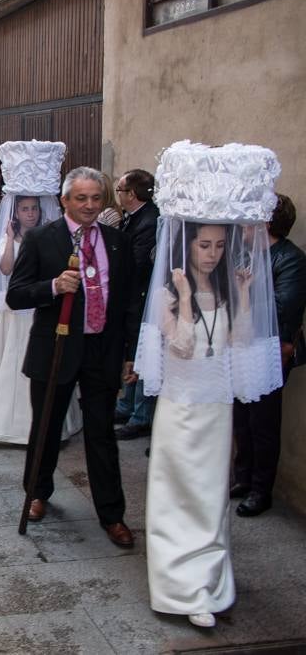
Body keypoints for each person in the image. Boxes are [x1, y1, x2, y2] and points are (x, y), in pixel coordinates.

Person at [136, 140, 285, 628]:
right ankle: (180, 588)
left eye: (220, 246)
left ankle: (210, 580)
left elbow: (237, 342)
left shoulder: (226, 285)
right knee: (179, 493)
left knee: (210, 493)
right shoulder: (167, 291)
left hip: (216, 405)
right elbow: (179, 348)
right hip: (181, 406)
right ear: (187, 244)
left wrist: (241, 295)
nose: (212, 253)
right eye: (204, 245)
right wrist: (181, 292)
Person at [7, 166, 142, 548]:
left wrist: (130, 352)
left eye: (96, 198)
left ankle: (112, 515)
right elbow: (16, 295)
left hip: (102, 349)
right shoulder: (40, 239)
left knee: (101, 434)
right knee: (46, 426)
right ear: (65, 200)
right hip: (57, 347)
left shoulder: (117, 241)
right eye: (80, 198)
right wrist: (52, 286)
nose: (89, 205)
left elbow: (129, 301)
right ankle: (37, 492)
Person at [0, 194, 82, 443]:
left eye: (33, 209)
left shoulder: (48, 238)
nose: (30, 214)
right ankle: (10, 424)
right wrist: (10, 239)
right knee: (14, 362)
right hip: (16, 310)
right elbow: (6, 268)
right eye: (24, 209)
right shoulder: (7, 238)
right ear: (16, 213)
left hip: (41, 306)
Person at [231, 193, 306, 517]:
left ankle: (262, 490)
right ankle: (243, 478)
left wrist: (243, 299)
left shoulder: (290, 259)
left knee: (263, 424)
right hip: (239, 346)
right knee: (241, 419)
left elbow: (282, 309)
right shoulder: (246, 254)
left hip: (269, 351)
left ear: (265, 222)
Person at [114, 169, 161, 440]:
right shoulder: (135, 217)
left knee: (142, 352)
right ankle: (126, 405)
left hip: (143, 297)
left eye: (120, 190)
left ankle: (140, 416)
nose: (118, 194)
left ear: (131, 194)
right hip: (131, 297)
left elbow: (138, 263)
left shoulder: (149, 221)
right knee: (131, 350)